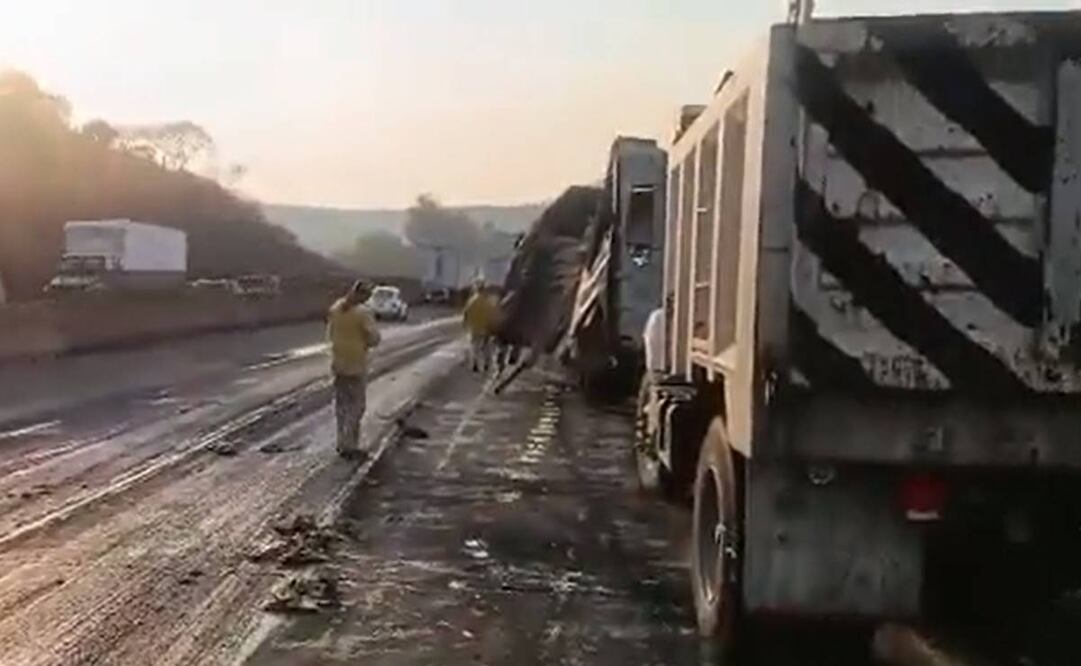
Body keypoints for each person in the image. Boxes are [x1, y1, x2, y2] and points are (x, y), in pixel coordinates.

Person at [327, 280, 381, 459]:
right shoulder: (363, 313)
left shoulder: (335, 308)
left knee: (341, 405)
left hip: (338, 363)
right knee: (357, 406)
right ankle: (349, 444)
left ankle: (341, 441)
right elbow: (374, 339)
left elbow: (330, 334)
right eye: (368, 296)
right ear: (363, 295)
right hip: (356, 364)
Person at [462, 281, 497, 373]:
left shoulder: (471, 301)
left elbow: (466, 314)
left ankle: (476, 364)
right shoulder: (488, 302)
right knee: (487, 348)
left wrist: (465, 324)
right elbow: (492, 316)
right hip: (486, 329)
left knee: (475, 347)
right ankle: (487, 364)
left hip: (475, 329)